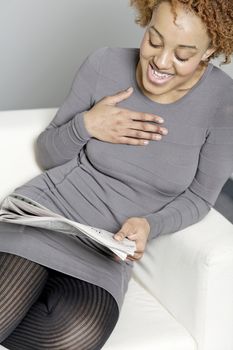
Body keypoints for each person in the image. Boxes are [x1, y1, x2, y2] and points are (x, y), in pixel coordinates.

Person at [0, 0, 233, 349]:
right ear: (146, 23)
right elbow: (47, 153)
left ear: (211, 49)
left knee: (72, 339)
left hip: (106, 250)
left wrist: (149, 225)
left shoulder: (223, 101)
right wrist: (87, 124)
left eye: (183, 54)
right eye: (154, 40)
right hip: (45, 216)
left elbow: (201, 197)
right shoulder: (104, 63)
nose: (161, 61)